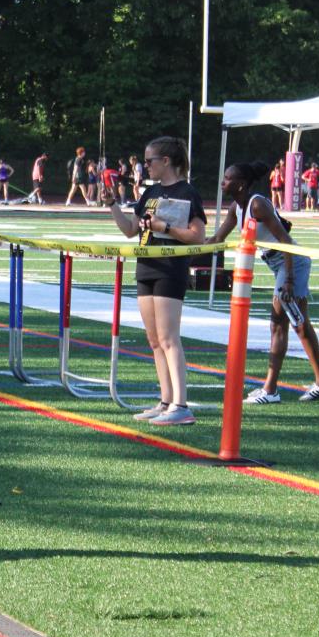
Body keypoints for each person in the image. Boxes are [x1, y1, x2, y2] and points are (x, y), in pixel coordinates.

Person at [208, 160, 319, 404]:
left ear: (241, 184)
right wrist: (185, 250)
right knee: (297, 324)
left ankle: (271, 390)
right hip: (278, 264)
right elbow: (216, 238)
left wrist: (289, 280)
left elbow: (285, 241)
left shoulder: (257, 204)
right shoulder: (236, 207)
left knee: (280, 324)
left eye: (228, 178)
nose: (223, 182)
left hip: (292, 263)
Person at [104, 135, 206, 425]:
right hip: (146, 266)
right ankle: (165, 401)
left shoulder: (187, 192)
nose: (145, 165)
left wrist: (165, 226)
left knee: (169, 338)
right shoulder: (150, 192)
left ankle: (181, 405)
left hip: (170, 268)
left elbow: (197, 236)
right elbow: (130, 230)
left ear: (166, 161)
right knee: (154, 340)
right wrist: (112, 205)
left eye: (150, 161)